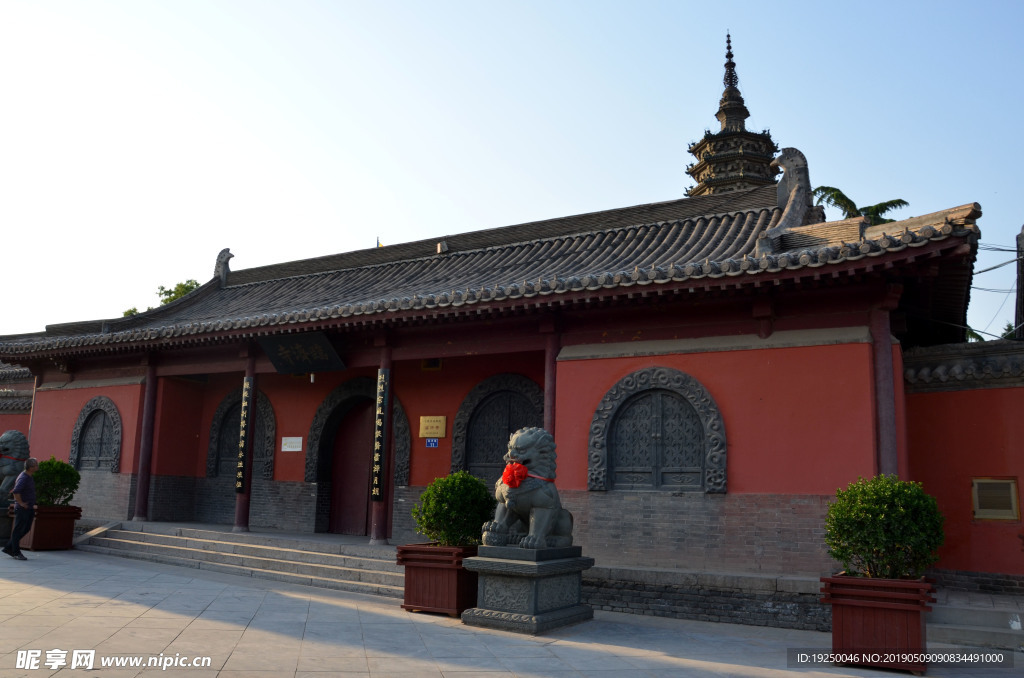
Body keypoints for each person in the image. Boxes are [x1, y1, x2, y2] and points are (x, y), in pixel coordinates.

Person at [4, 457, 38, 561]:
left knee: (26, 528)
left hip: (29, 507)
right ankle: (15, 552)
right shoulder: (24, 477)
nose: (38, 466)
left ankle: (9, 547)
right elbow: (16, 491)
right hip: (23, 508)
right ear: (31, 467)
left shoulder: (29, 476)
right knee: (18, 530)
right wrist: (21, 503)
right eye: (36, 465)